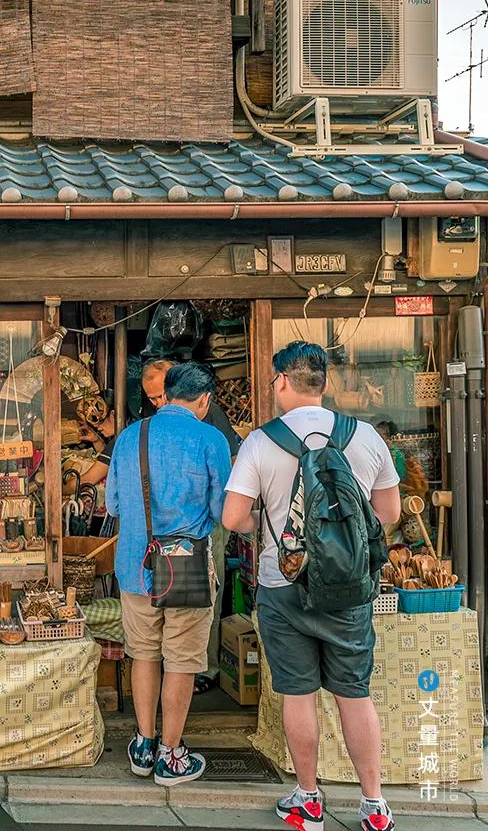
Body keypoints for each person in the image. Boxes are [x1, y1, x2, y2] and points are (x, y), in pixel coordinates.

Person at [222, 341, 401, 831]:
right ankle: (374, 805)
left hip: (284, 587)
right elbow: (388, 516)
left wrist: (273, 517)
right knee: (354, 694)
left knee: (299, 695)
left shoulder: (261, 442)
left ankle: (308, 800)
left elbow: (233, 517)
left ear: (281, 380)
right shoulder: (365, 438)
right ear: (324, 383)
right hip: (350, 590)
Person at [106, 363, 231, 786]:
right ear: (203, 400)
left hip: (136, 566)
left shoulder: (129, 438)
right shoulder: (210, 438)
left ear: (165, 394)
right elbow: (221, 513)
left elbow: (114, 506)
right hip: (187, 570)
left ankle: (143, 743)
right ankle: (170, 755)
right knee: (181, 659)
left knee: (143, 652)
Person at [142, 357, 238, 694]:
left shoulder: (210, 423)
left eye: (159, 397)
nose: (158, 404)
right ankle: (182, 678)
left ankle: (205, 669)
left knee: (202, 598)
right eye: (152, 399)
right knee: (189, 603)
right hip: (186, 530)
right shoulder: (152, 427)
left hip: (200, 531)